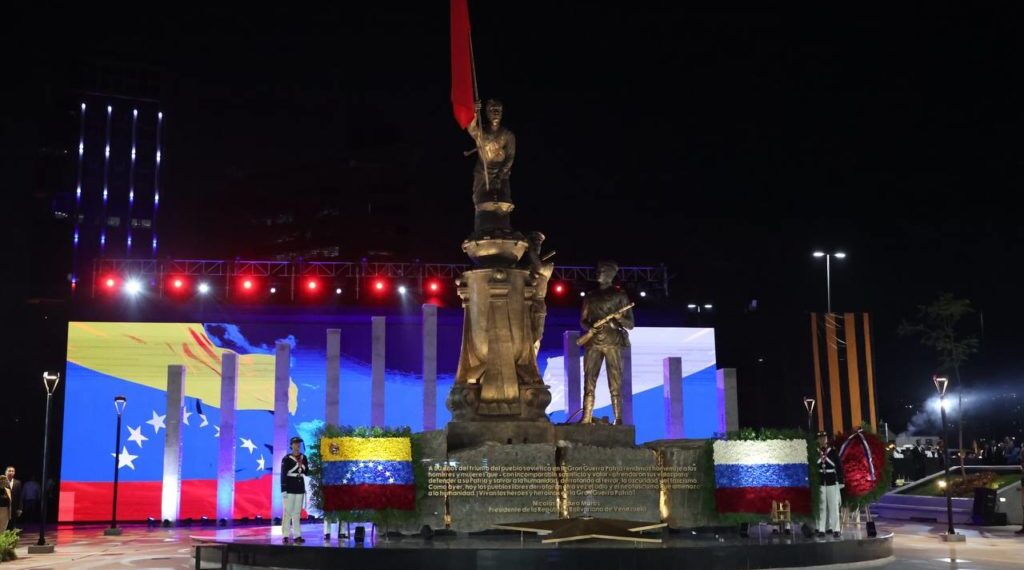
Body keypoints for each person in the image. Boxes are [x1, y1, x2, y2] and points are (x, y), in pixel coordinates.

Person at [579, 261, 634, 425]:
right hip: (593, 342)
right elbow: (583, 320)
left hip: (613, 343)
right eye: (598, 270)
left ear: (610, 274)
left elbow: (630, 324)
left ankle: (618, 419)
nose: (598, 273)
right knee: (589, 380)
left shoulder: (620, 296)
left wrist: (618, 318)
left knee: (615, 382)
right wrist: (590, 328)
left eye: (602, 270)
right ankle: (586, 417)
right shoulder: (590, 296)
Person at [815, 432, 843, 539]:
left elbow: (839, 467)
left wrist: (841, 481)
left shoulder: (833, 451)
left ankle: (836, 529)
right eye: (820, 438)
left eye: (824, 438)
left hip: (832, 481)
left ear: (827, 439)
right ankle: (821, 529)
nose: (822, 440)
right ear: (818, 440)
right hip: (820, 481)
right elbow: (813, 466)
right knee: (821, 507)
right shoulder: (815, 452)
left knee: (834, 506)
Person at [280, 437, 308, 544]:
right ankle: (285, 535)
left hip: (299, 487)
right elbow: (283, 475)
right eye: (296, 443)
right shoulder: (286, 458)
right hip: (290, 487)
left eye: (299, 443)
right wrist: (284, 489)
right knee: (287, 512)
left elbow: (307, 472)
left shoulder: (303, 457)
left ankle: (297, 535)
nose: (298, 445)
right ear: (291, 445)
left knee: (297, 513)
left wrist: (302, 466)